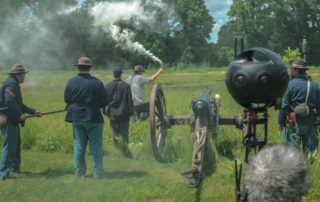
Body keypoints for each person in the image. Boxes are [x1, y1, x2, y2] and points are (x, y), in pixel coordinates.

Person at [64, 57, 108, 179]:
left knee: (79, 146)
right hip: (94, 117)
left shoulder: (71, 82)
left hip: (77, 118)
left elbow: (67, 100)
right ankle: (98, 174)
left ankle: (79, 174)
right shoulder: (97, 83)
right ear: (89, 68)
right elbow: (104, 102)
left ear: (78, 67)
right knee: (96, 147)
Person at [0, 63, 42, 180]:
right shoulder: (11, 84)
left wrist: (33, 111)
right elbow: (9, 101)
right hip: (8, 120)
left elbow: (18, 104)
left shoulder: (13, 83)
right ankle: (3, 174)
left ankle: (14, 168)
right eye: (23, 74)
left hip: (13, 119)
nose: (24, 77)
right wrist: (19, 115)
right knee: (9, 147)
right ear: (19, 74)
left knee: (16, 144)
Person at [278, 59, 320, 160]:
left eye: (291, 69)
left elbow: (284, 106)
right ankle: (310, 170)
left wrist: (280, 122)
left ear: (296, 70)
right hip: (311, 121)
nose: (290, 71)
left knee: (292, 153)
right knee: (311, 153)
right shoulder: (315, 86)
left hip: (293, 121)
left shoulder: (289, 85)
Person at [104, 67, 134, 147]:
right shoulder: (126, 86)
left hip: (113, 113)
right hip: (124, 113)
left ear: (113, 74)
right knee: (124, 134)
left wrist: (105, 113)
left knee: (114, 134)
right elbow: (130, 101)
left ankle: (116, 150)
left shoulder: (107, 86)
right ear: (121, 74)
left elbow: (104, 102)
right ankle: (125, 151)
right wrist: (131, 112)